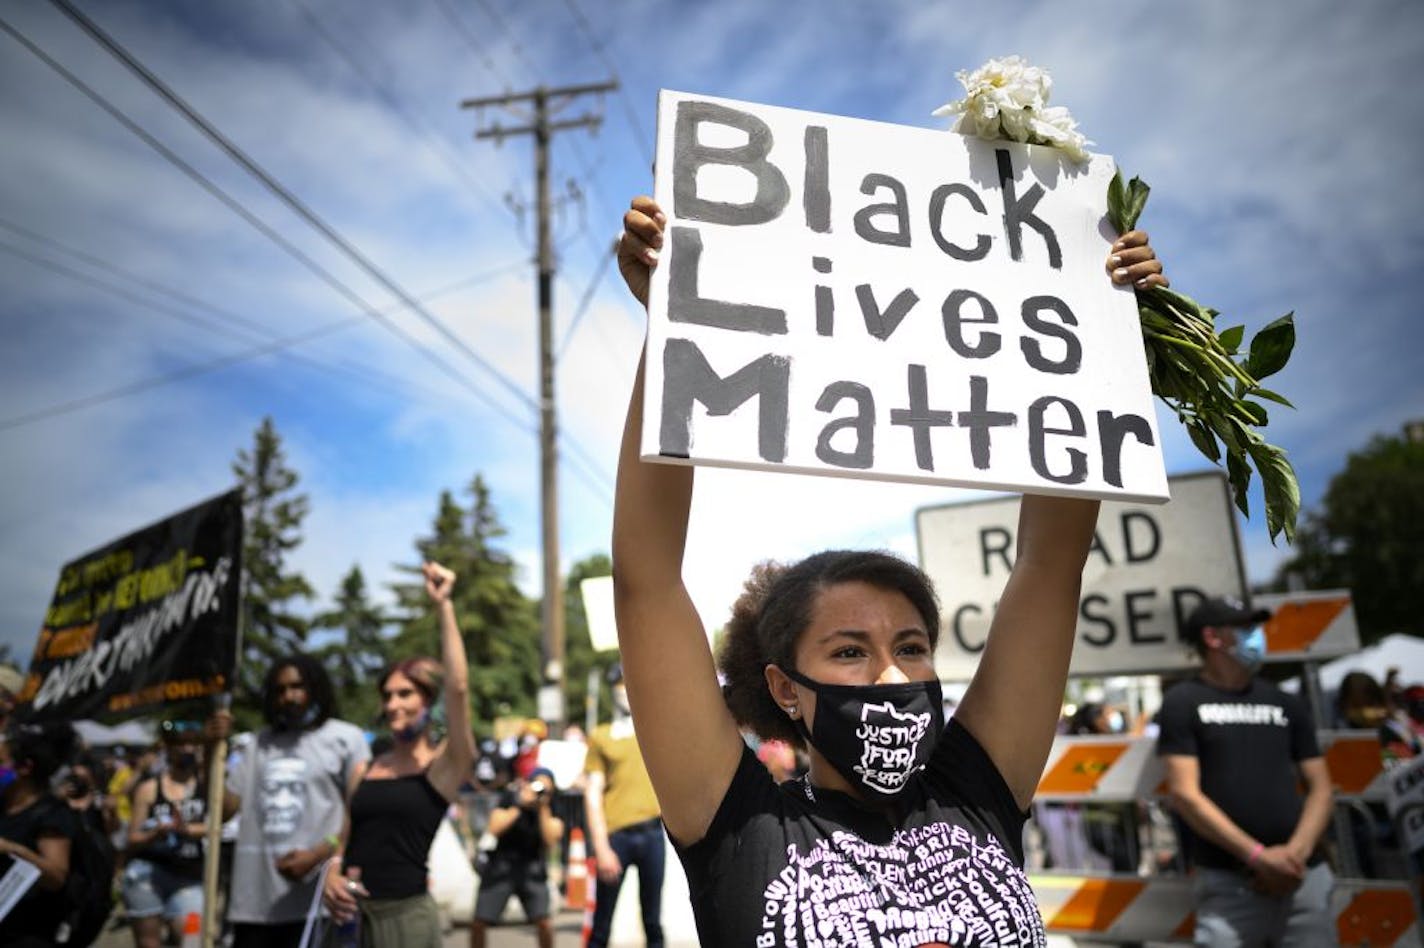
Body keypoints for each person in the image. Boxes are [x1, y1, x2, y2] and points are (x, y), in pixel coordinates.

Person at [610, 194, 1166, 944]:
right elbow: (646, 576)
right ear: (784, 688)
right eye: (849, 651)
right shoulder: (743, 825)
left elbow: (1050, 564)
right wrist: (671, 325)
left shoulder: (977, 787)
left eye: (910, 646)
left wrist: (1100, 325)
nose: (894, 676)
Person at [1158, 596, 1336, 947]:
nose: (1257, 636)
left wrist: (1293, 858)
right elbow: (1184, 794)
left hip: (1304, 878)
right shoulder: (1183, 701)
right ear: (1213, 638)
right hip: (1230, 882)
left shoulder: (1285, 702)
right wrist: (1257, 857)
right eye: (1246, 628)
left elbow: (1322, 789)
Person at [323, 561, 476, 946]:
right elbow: (342, 841)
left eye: (405, 694)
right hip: (350, 920)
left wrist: (444, 606)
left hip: (407, 922)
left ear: (428, 702)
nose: (393, 704)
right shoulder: (366, 768)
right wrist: (331, 873)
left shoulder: (443, 767)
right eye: (387, 695)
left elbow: (457, 686)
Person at [216, 653, 371, 948]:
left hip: (319, 904)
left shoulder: (345, 740)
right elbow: (223, 812)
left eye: (298, 686)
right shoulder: (256, 745)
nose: (289, 696)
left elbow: (360, 814)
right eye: (280, 690)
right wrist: (213, 752)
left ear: (316, 688)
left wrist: (319, 853)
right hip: (256, 907)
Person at [583, 661, 665, 948]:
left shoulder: (653, 730)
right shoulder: (601, 736)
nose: (624, 692)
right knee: (602, 923)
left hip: (654, 832)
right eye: (618, 685)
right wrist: (601, 847)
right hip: (617, 835)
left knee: (653, 921)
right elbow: (592, 794)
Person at [122, 719, 214, 948]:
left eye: (192, 744)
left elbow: (219, 826)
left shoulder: (208, 788)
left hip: (190, 877)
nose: (187, 749)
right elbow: (131, 838)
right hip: (146, 878)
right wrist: (154, 833)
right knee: (149, 943)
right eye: (180, 744)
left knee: (193, 939)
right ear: (168, 749)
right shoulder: (149, 789)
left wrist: (188, 829)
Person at [0, 721, 79, 948]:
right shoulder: (3, 805)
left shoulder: (51, 815)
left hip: (29, 935)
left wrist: (11, 849)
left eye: (1, 763)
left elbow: (55, 877)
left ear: (24, 768)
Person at [470, 766, 563, 948]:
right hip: (501, 865)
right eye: (537, 786)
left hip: (532, 866)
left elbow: (551, 839)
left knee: (543, 922)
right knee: (479, 922)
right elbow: (494, 827)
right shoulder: (511, 798)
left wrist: (542, 807)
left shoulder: (551, 806)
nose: (540, 791)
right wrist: (520, 804)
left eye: (546, 789)